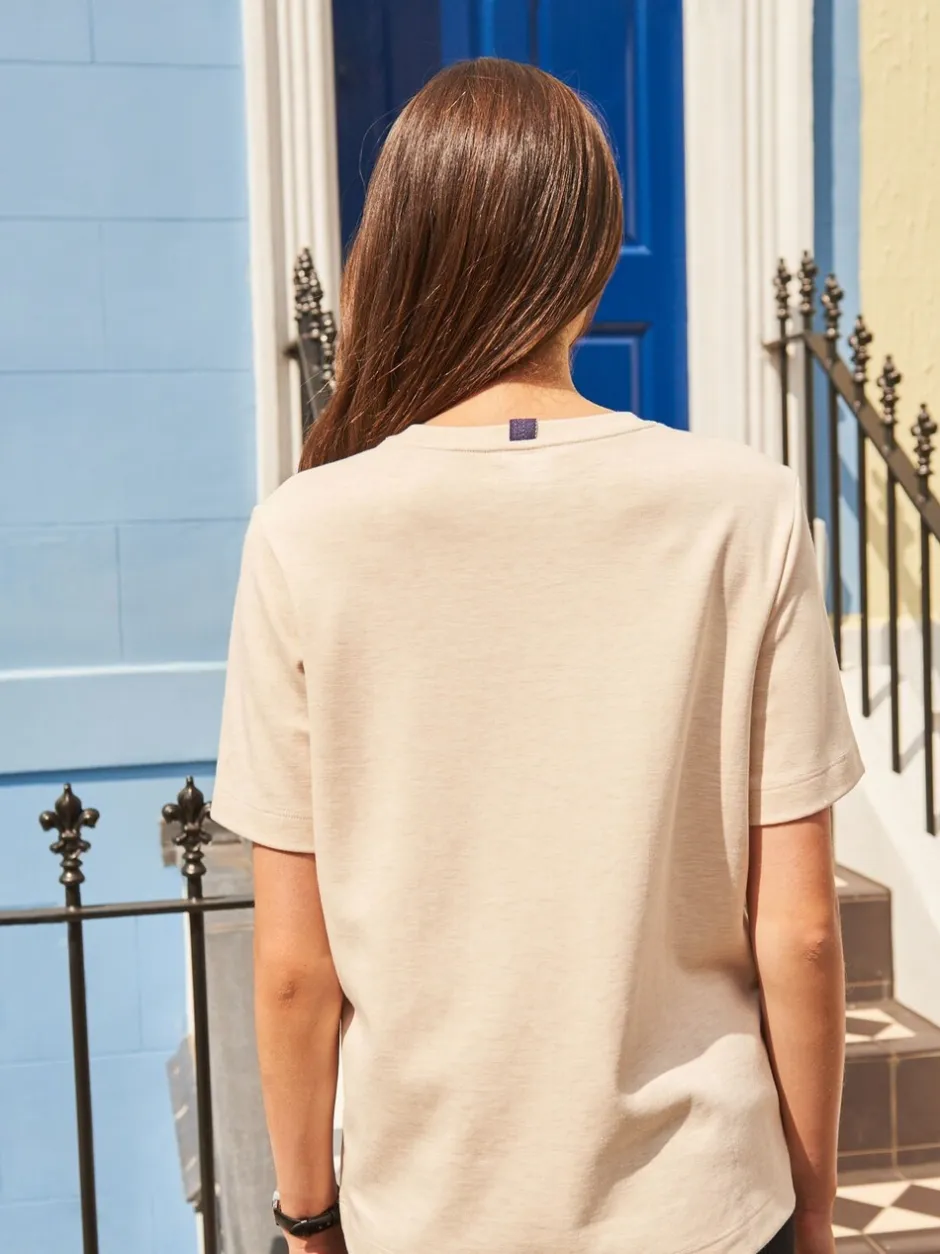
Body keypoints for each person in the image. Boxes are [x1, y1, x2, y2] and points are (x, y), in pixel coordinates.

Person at [211, 57, 863, 1254]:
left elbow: (295, 967)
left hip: (430, 1211)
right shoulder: (744, 507)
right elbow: (803, 930)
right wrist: (814, 1208)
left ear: (398, 247)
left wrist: (306, 1219)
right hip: (704, 1205)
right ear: (595, 254)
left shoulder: (306, 531)